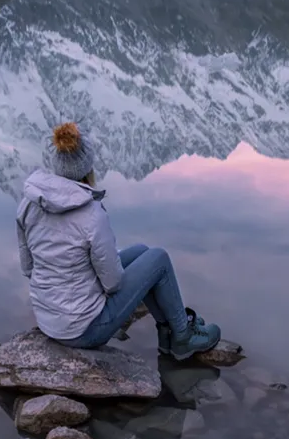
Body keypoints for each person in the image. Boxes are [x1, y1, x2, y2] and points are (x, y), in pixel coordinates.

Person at [16, 121, 221, 360]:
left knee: (142, 252)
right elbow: (112, 283)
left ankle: (168, 335)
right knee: (159, 259)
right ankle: (184, 336)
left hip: (47, 319)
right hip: (84, 329)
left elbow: (28, 268)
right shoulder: (91, 215)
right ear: (87, 167)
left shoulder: (29, 204)